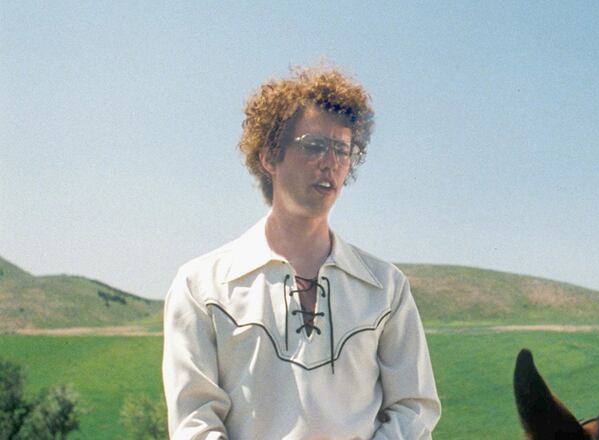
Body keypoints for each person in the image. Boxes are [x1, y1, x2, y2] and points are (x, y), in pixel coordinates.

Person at [162, 65, 441, 439]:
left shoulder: (386, 289)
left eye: (342, 149)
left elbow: (414, 408)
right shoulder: (201, 287)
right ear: (268, 156)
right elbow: (194, 423)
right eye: (313, 146)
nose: (330, 162)